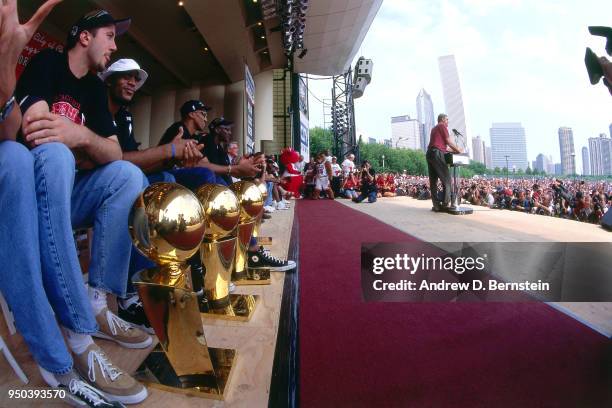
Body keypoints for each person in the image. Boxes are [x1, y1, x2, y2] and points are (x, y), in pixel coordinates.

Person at [4, 6, 149, 405]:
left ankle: (98, 302)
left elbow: (115, 154)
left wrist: (80, 134)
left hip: (68, 194)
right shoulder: (49, 62)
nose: (114, 45)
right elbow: (35, 131)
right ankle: (79, 336)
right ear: (85, 37)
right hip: (32, 191)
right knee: (55, 157)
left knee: (129, 177)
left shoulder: (94, 91)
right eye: (109, 35)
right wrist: (80, 147)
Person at [426, 113, 462, 212]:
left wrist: (453, 150)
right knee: (447, 180)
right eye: (447, 119)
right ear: (442, 119)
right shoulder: (442, 126)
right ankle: (446, 204)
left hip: (430, 153)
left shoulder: (434, 129)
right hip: (437, 153)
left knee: (433, 181)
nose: (448, 122)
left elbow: (443, 146)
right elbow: (448, 142)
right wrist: (458, 150)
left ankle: (436, 205)